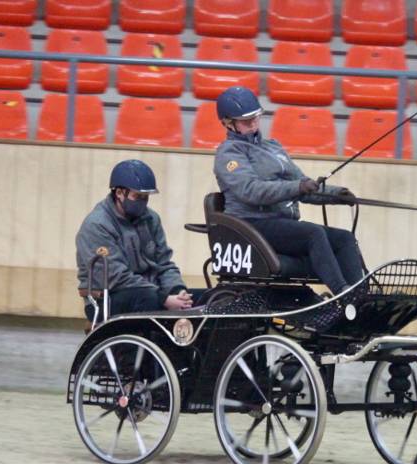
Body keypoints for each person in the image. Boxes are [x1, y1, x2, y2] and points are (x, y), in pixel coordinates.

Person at [212, 86, 365, 297]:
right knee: (313, 233)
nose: (254, 124)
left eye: (256, 118)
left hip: (283, 224)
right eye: (247, 121)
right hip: (253, 223)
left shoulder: (273, 147)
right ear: (228, 123)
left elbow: (301, 184)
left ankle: (361, 296)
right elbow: (251, 190)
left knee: (344, 238)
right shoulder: (228, 154)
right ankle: (342, 294)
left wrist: (334, 194)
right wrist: (297, 187)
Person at [76, 159, 197, 320]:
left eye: (146, 197)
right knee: (148, 298)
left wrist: (177, 291)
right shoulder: (97, 225)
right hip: (107, 298)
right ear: (119, 193)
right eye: (137, 196)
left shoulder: (151, 218)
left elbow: (164, 264)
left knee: (202, 299)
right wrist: (163, 298)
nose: (142, 202)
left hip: (150, 290)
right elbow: (117, 277)